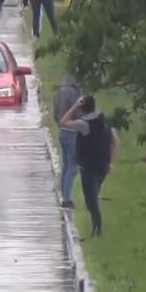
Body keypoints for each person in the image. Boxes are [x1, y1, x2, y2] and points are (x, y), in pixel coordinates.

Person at [60, 95, 119, 237]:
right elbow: (116, 141)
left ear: (82, 108)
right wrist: (111, 162)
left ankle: (97, 230)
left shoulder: (83, 124)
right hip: (103, 165)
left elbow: (63, 122)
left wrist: (74, 106)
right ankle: (96, 229)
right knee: (94, 195)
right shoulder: (104, 120)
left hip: (89, 167)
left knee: (90, 200)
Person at [53, 74, 83, 208]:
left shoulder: (58, 92)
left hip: (62, 131)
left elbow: (55, 115)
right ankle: (67, 199)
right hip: (72, 132)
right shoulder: (73, 93)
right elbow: (77, 112)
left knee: (66, 164)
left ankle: (62, 193)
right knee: (72, 166)